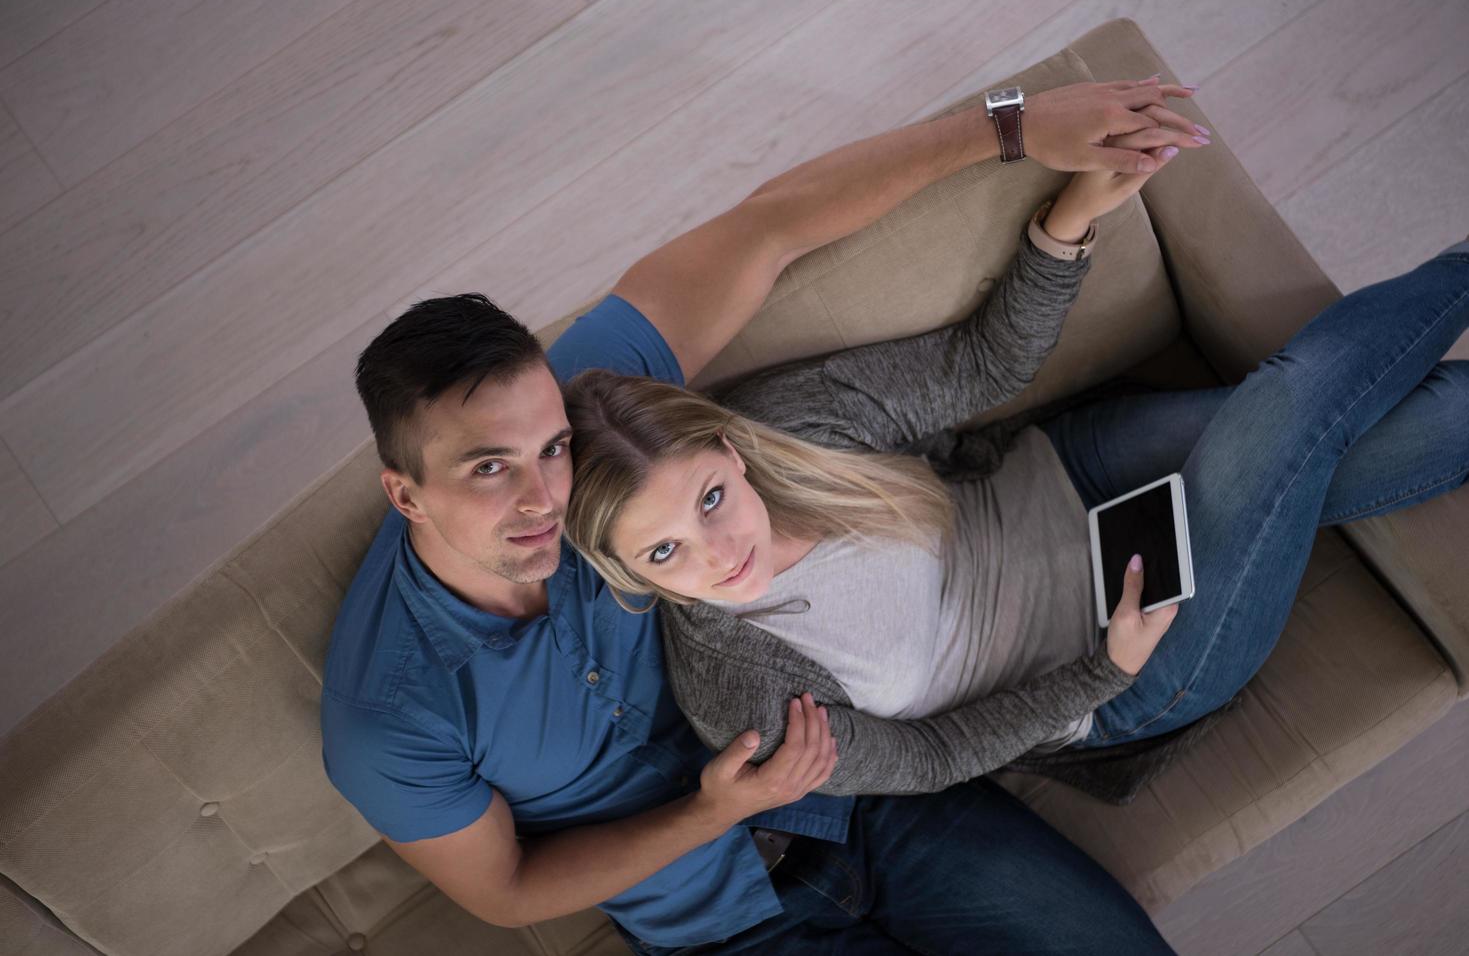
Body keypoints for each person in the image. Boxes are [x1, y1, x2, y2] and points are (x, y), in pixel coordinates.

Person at [320, 73, 1208, 954]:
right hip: (727, 929)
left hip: (866, 796)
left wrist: (1010, 127)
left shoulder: (590, 422)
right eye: (487, 469)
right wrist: (714, 809)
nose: (543, 496)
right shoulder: (387, 713)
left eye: (548, 447)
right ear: (405, 493)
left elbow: (770, 225)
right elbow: (507, 892)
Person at [561, 166, 1469, 807]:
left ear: (729, 449)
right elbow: (929, 756)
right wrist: (1100, 672)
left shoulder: (790, 427)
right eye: (664, 551)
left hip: (1070, 479)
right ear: (623, 570)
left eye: (712, 498)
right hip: (1126, 664)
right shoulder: (736, 690)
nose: (719, 555)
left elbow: (978, 364)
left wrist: (1068, 218)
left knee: (1342, 422)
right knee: (1286, 412)